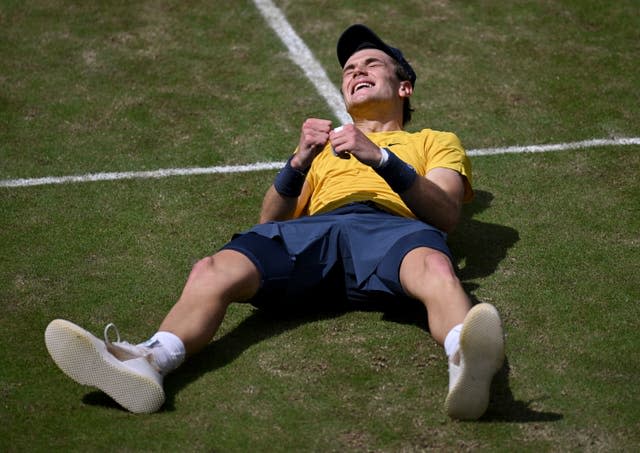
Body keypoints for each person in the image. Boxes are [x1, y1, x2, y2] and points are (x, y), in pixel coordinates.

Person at [45, 24, 505, 420]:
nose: (356, 71)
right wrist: (299, 161)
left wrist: (381, 159)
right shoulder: (325, 151)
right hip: (317, 232)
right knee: (213, 268)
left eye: (371, 63)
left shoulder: (435, 140)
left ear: (404, 88)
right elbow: (269, 223)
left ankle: (463, 358)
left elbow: (444, 213)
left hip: (394, 230)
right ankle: (151, 359)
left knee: (436, 269)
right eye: (348, 70)